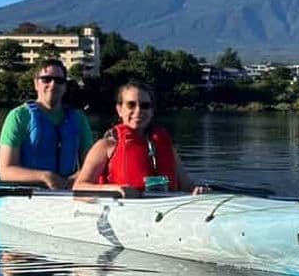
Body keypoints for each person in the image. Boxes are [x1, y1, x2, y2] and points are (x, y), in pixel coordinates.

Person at [72, 80, 207, 196]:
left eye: (145, 106)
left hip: (162, 214)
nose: (138, 111)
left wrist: (199, 191)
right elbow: (79, 187)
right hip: (123, 215)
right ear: (119, 109)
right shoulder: (105, 146)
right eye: (131, 104)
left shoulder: (166, 146)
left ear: (152, 111)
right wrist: (115, 189)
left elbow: (187, 187)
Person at [0, 59, 94, 189]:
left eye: (59, 81)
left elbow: (91, 165)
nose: (53, 84)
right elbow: (5, 171)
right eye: (46, 79)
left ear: (65, 86)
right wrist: (45, 176)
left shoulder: (79, 119)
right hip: (28, 194)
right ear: (36, 84)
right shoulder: (18, 116)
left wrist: (77, 177)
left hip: (67, 190)